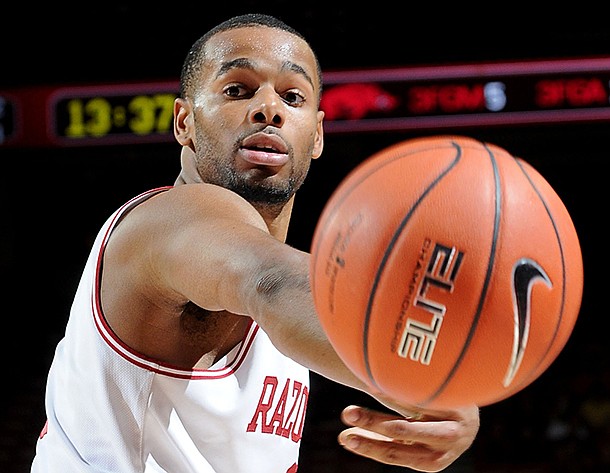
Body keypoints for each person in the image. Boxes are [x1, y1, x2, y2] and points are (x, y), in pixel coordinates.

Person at [30, 13, 479, 473]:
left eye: (292, 96)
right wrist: (426, 373)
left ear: (318, 134)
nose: (269, 109)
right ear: (184, 121)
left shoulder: (295, 302)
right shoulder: (164, 223)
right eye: (237, 90)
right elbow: (268, 282)